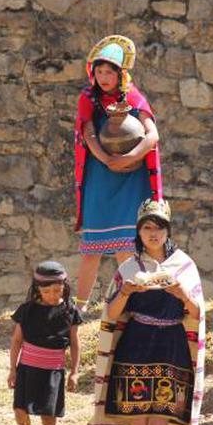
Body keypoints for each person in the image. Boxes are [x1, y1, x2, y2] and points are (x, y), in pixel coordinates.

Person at [89, 199, 205, 425]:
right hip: (136, 346)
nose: (153, 233)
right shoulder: (129, 267)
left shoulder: (184, 264)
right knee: (139, 424)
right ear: (138, 233)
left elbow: (196, 313)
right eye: (147, 228)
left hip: (171, 347)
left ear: (168, 232)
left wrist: (180, 293)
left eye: (159, 228)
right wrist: (126, 291)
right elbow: (112, 315)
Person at [74, 35, 163, 309]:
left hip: (131, 179)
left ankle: (132, 303)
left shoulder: (134, 97)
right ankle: (79, 307)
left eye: (109, 72)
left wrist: (129, 158)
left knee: (126, 244)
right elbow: (88, 133)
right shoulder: (88, 98)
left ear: (120, 74)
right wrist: (106, 159)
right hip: (100, 177)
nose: (103, 77)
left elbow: (152, 135)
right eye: (99, 71)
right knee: (92, 248)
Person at [7, 261, 82, 425]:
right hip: (27, 369)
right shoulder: (27, 310)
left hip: (52, 373)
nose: (52, 294)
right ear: (37, 288)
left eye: (57, 290)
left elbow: (75, 343)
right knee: (19, 409)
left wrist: (75, 372)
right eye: (46, 290)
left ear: (65, 287)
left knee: (48, 418)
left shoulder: (69, 311)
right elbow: (16, 342)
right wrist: (13, 369)